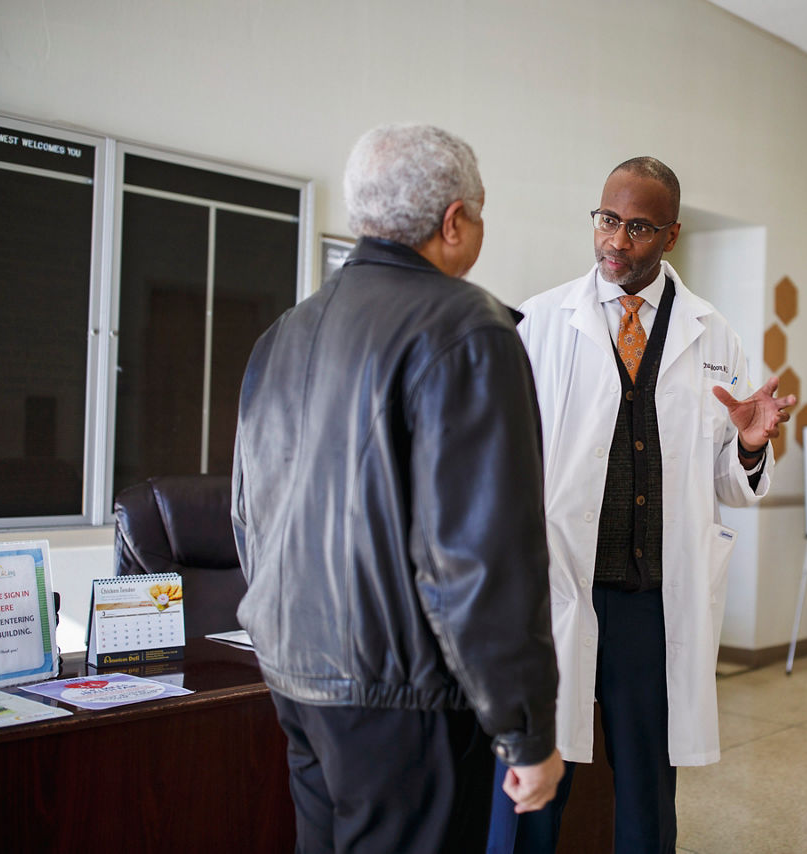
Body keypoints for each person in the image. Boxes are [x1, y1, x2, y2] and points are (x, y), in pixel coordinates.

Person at [232, 124, 563, 853]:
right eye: (480, 212)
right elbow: (481, 556)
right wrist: (526, 727)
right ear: (455, 222)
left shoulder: (285, 332)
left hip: (297, 679)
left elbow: (249, 516)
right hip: (404, 700)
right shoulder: (467, 326)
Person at [487, 157, 795, 854]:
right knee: (534, 782)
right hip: (556, 592)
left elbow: (726, 478)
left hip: (649, 601)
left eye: (638, 227)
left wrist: (747, 444)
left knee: (648, 787)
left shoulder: (713, 335)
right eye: (607, 220)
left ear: (671, 235)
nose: (616, 241)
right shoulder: (538, 323)